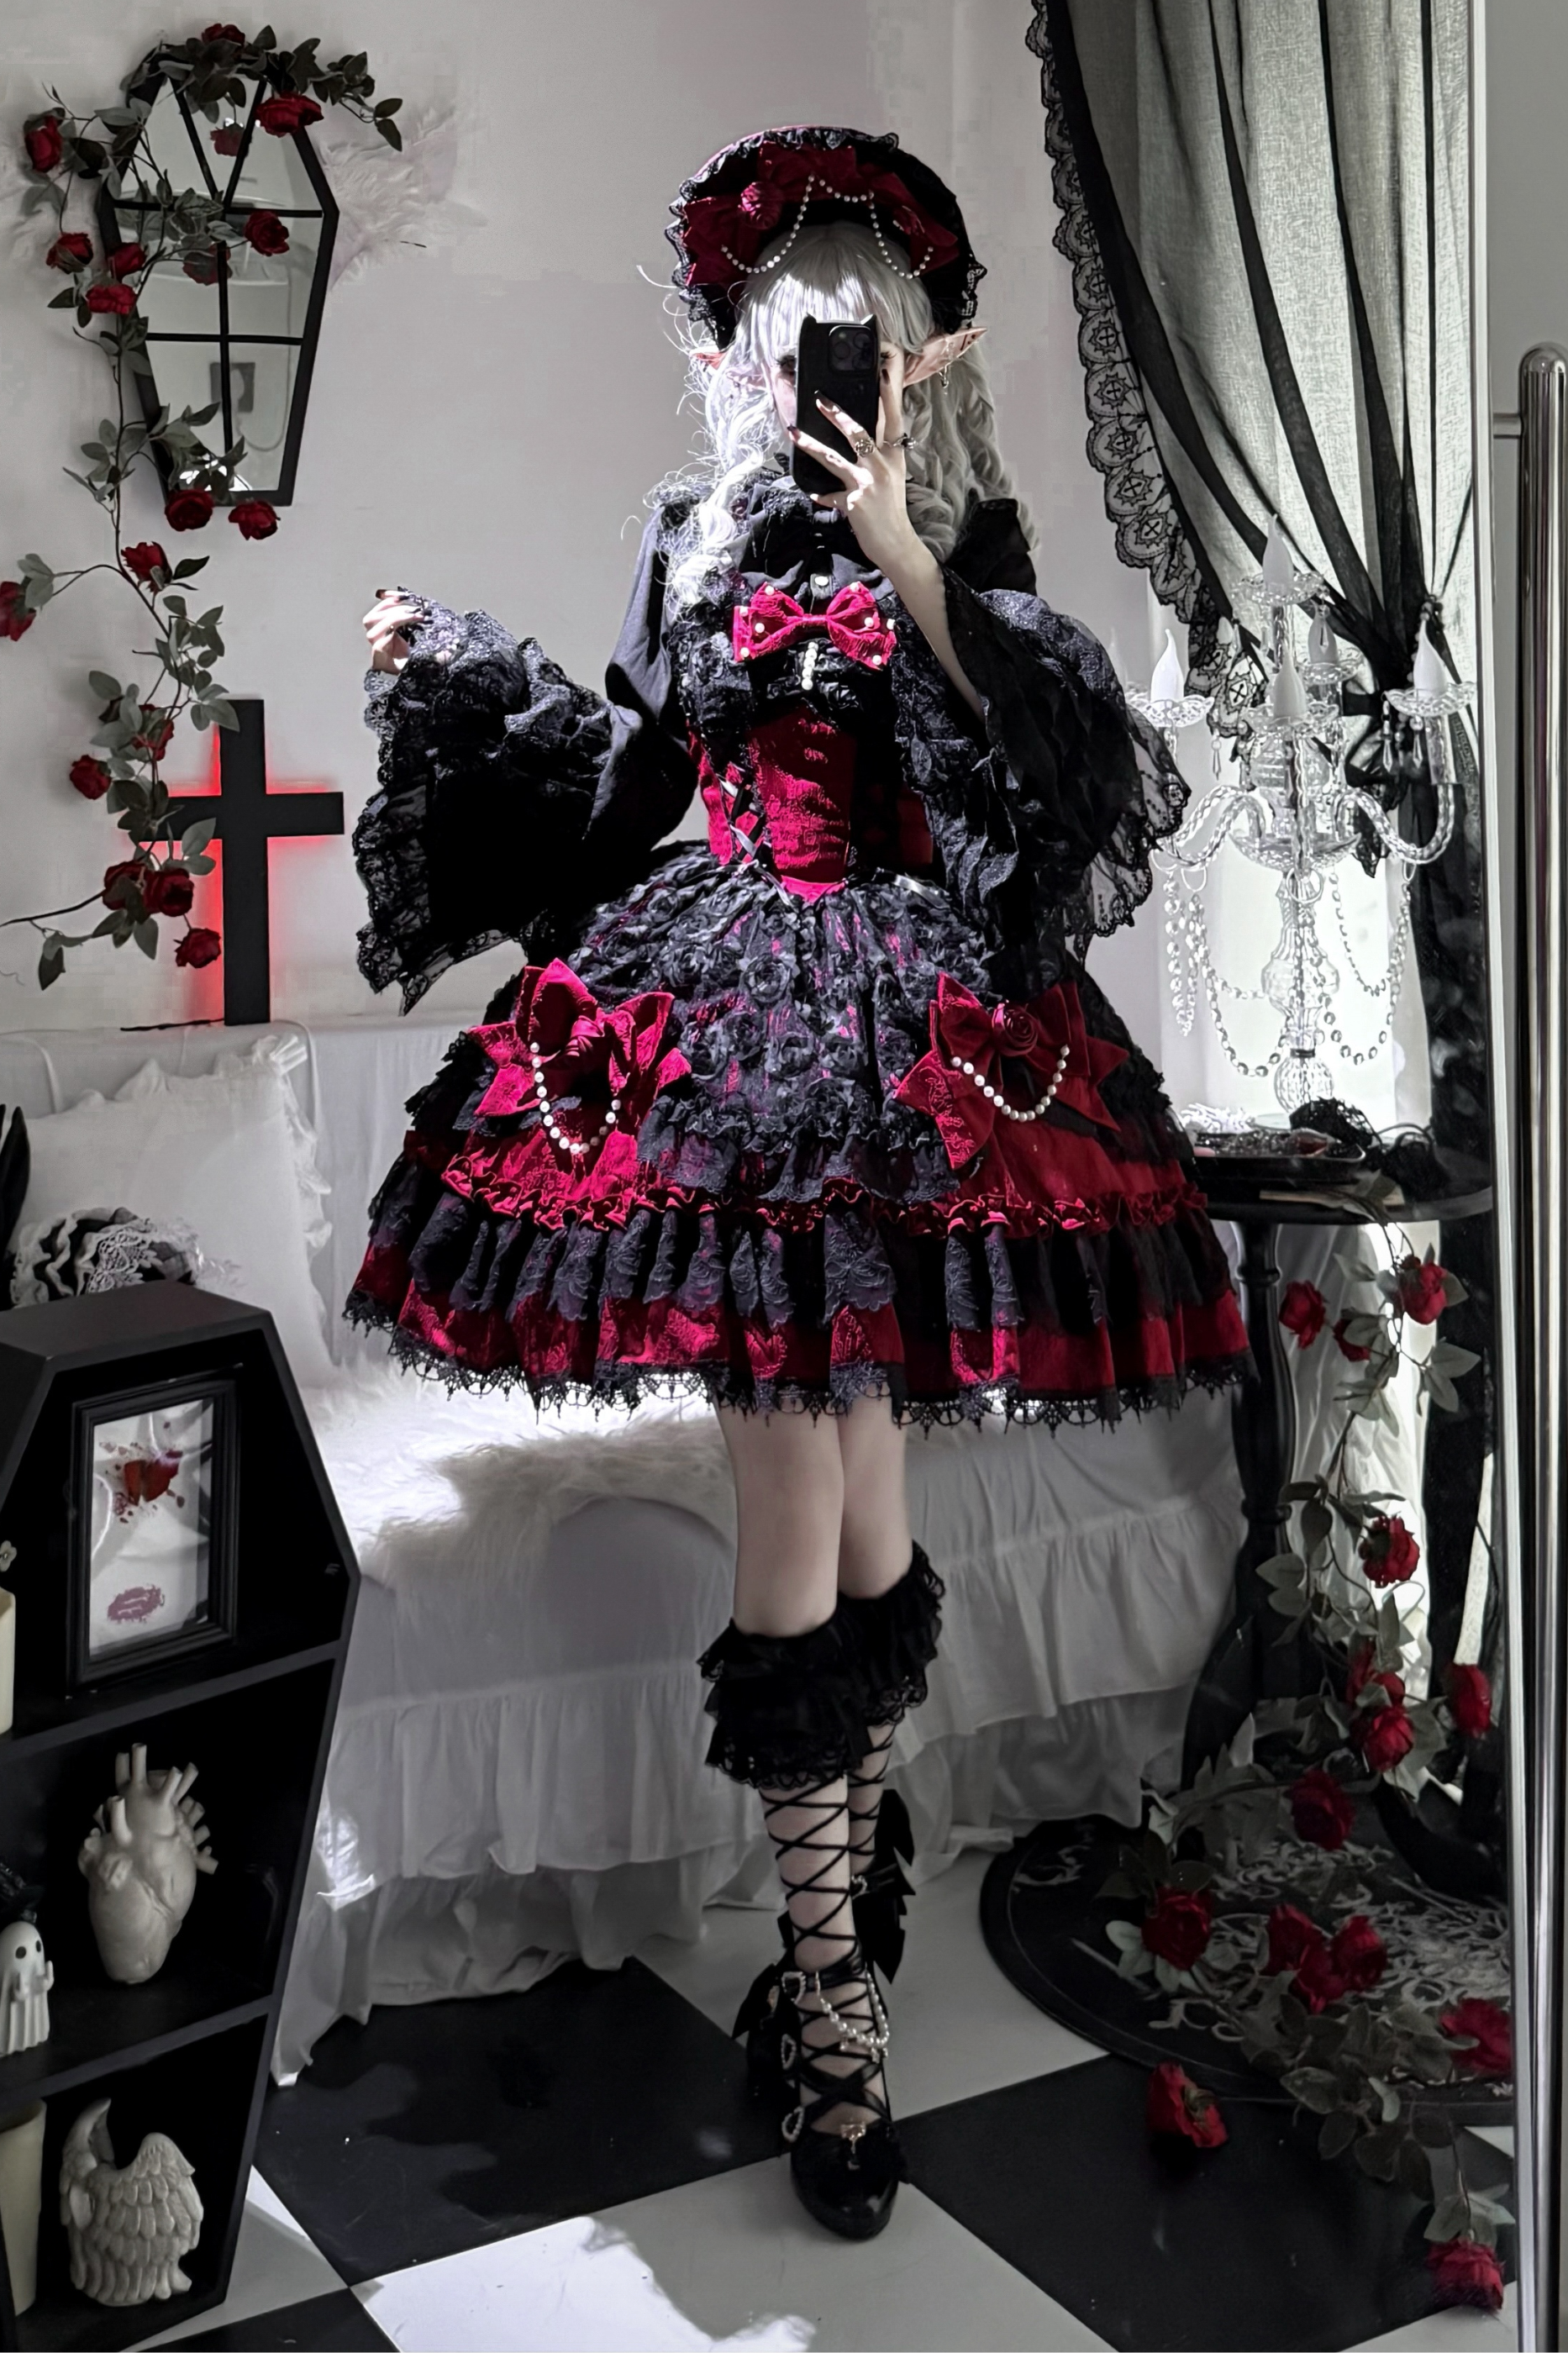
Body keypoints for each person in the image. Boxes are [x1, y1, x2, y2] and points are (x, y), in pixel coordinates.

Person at [350, 125, 1249, 2240]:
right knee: (800, 1483)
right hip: (733, 1030)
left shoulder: (963, 532)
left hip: (914, 1039)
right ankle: (837, 1981)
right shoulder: (691, 534)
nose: (808, 359)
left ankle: (841, 1921)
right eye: (779, 326)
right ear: (735, 346)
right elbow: (627, 783)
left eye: (854, 324)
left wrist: (907, 549)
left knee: (855, 1488)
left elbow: (1061, 777)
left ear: (920, 351)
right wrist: (451, 666)